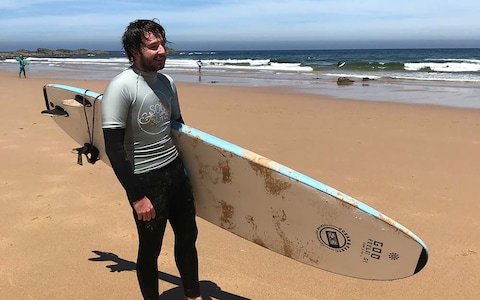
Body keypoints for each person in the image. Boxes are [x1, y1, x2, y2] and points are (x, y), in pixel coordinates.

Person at [101, 19, 202, 300]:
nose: (161, 51)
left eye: (163, 45)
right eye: (153, 46)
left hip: (175, 172)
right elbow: (113, 148)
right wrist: (137, 197)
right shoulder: (121, 87)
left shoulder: (167, 82)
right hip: (146, 179)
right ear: (134, 51)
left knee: (188, 237)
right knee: (150, 248)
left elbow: (178, 126)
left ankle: (193, 295)